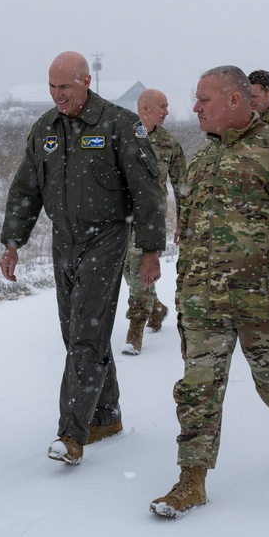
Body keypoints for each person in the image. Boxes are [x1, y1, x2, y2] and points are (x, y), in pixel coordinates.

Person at [150, 66, 269, 519]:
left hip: (265, 302)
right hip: (204, 302)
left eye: (203, 100)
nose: (194, 109)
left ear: (234, 101)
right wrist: (185, 288)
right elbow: (190, 229)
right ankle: (191, 480)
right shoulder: (204, 158)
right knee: (197, 391)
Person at [0, 51, 166, 466]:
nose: (58, 95)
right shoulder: (46, 129)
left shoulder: (119, 124)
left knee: (86, 336)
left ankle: (72, 433)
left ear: (86, 81)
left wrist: (150, 251)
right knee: (74, 331)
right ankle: (106, 415)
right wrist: (12, 242)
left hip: (108, 236)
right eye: (53, 87)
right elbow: (26, 188)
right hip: (65, 239)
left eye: (66, 87)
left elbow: (147, 193)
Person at [122, 88, 187, 355]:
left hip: (150, 220)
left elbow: (182, 185)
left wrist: (183, 221)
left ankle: (135, 330)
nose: (167, 111)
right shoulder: (123, 135)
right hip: (121, 218)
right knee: (127, 271)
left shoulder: (169, 142)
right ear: (145, 108)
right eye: (162, 106)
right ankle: (156, 308)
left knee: (140, 272)